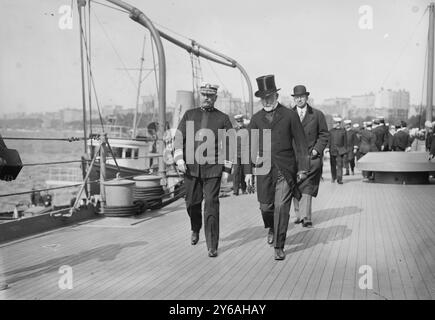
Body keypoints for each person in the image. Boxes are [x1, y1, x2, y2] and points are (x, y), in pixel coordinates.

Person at [244, 75, 309, 260]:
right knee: (266, 207)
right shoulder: (256, 119)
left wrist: (302, 168)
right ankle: (271, 227)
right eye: (263, 98)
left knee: (281, 206)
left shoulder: (290, 115)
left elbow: (301, 143)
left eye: (269, 96)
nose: (266, 100)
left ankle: (279, 245)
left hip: (285, 169)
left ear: (276, 96)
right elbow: (250, 145)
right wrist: (248, 171)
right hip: (263, 169)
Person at [174, 83, 233, 258]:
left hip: (213, 168)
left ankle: (212, 245)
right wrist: (179, 158)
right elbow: (178, 137)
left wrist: (226, 169)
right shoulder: (189, 115)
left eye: (210, 96)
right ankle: (195, 227)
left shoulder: (223, 118)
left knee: (211, 206)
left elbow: (230, 143)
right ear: (201, 96)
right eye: (204, 95)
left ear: (215, 98)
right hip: (191, 168)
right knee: (192, 203)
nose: (207, 98)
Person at [291, 85, 329, 228]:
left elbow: (324, 134)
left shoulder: (317, 115)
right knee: (295, 184)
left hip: (310, 157)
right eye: (296, 97)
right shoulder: (288, 115)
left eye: (301, 96)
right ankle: (298, 214)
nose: (299, 99)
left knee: (306, 185)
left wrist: (316, 150)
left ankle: (306, 217)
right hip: (293, 158)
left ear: (307, 98)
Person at [326, 117, 347, 184]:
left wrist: (345, 150)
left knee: (339, 165)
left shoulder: (343, 131)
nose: (337, 124)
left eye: (338, 123)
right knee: (333, 165)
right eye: (336, 123)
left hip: (340, 151)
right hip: (332, 150)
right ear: (334, 123)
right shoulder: (331, 131)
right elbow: (328, 141)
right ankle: (333, 177)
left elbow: (345, 142)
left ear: (340, 123)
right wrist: (327, 148)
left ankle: (339, 179)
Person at [232, 114, 249, 195]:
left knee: (243, 172)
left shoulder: (247, 130)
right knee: (236, 172)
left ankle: (244, 189)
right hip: (236, 154)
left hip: (244, 154)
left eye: (241, 121)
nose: (240, 123)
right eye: (238, 122)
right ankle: (235, 191)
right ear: (236, 122)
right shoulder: (233, 130)